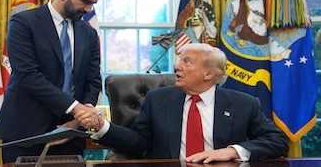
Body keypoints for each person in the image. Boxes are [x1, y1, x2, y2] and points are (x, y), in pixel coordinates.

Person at [75, 43, 289, 163]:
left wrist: (232, 151)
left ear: (208, 73)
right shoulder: (157, 99)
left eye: (187, 62)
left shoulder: (243, 104)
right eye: (179, 61)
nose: (177, 67)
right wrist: (101, 126)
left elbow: (278, 140)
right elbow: (138, 142)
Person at [0, 0, 105, 163]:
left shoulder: (89, 33)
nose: (88, 9)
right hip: (25, 132)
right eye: (85, 1)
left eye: (93, 3)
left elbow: (93, 80)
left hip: (71, 133)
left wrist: (79, 120)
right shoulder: (23, 23)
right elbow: (28, 75)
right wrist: (76, 108)